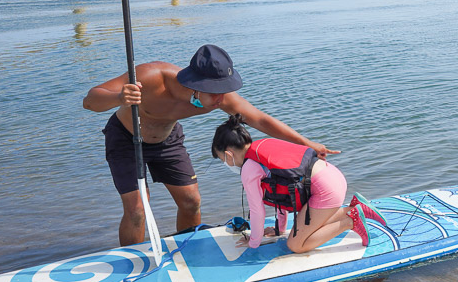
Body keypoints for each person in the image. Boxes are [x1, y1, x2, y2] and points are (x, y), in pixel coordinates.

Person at [83, 44, 338, 246]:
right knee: (138, 209)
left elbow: (260, 119)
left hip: (167, 139)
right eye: (214, 92)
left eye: (223, 90)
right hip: (126, 138)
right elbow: (90, 100)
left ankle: (186, 246)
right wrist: (119, 97)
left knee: (191, 201)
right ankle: (132, 260)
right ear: (194, 85)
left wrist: (308, 144)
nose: (220, 99)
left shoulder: (220, 98)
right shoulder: (150, 77)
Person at [211, 114, 387, 252]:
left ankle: (351, 221)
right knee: (306, 229)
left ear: (228, 155)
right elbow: (281, 189)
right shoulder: (264, 145)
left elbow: (258, 210)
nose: (225, 163)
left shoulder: (249, 168)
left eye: (221, 159)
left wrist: (254, 243)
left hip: (325, 191)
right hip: (333, 176)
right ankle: (357, 208)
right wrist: (279, 229)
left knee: (296, 245)